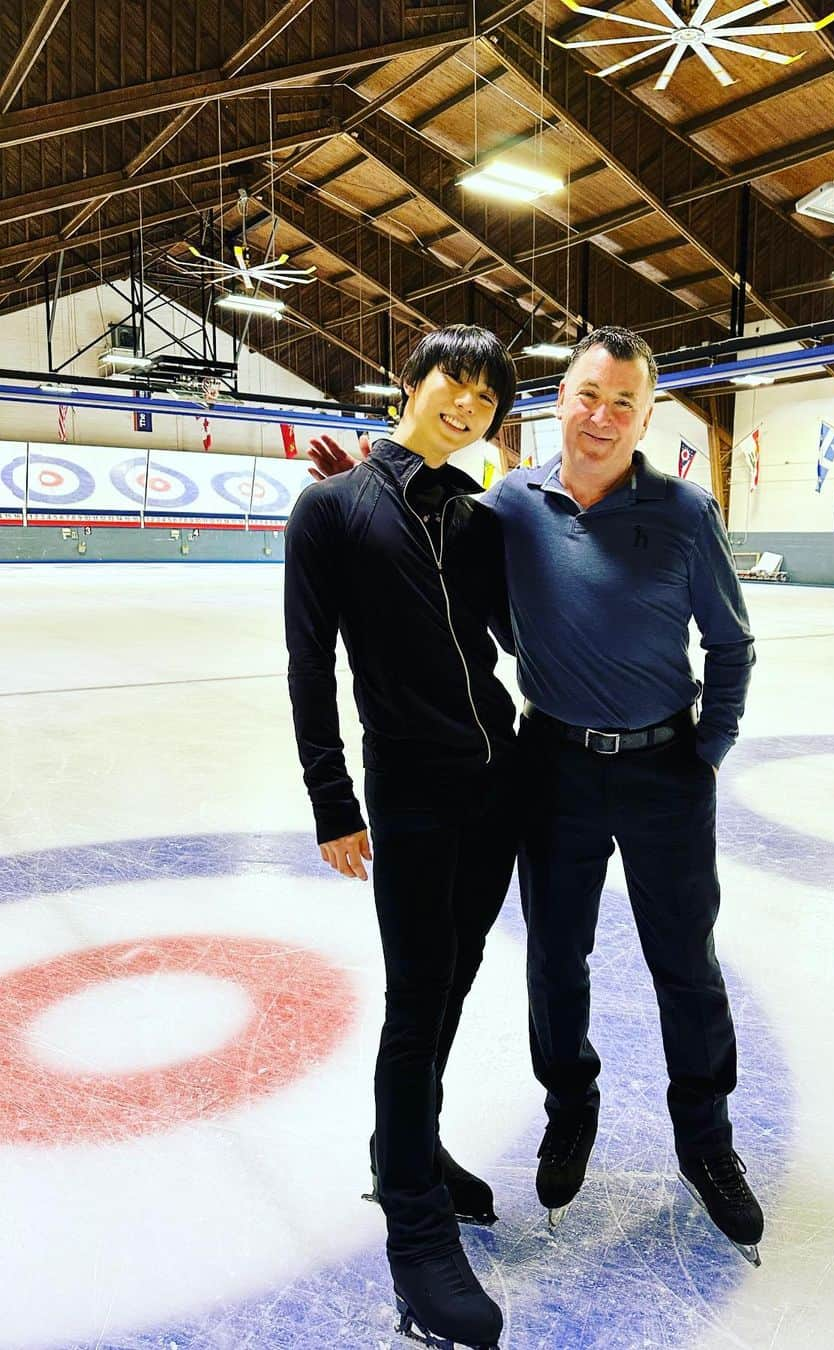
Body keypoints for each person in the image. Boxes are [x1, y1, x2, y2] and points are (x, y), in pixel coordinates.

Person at [308, 325, 764, 1267]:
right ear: (561, 398)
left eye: (624, 403)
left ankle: (707, 1143)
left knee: (686, 961)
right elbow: (427, 563)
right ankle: (570, 1113)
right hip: (552, 766)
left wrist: (705, 751)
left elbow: (732, 643)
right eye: (588, 395)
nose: (602, 417)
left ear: (647, 413)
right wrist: (362, 489)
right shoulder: (509, 503)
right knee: (556, 960)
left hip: (664, 769)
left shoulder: (683, 511)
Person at [284, 324, 518, 1349]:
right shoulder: (330, 508)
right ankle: (415, 1232)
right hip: (412, 792)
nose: (469, 406)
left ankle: (405, 1147)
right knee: (416, 997)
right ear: (412, 388)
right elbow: (309, 667)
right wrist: (334, 801)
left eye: (489, 400)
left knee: (457, 979)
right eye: (455, 386)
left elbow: (521, 637)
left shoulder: (475, 514)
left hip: (498, 787)